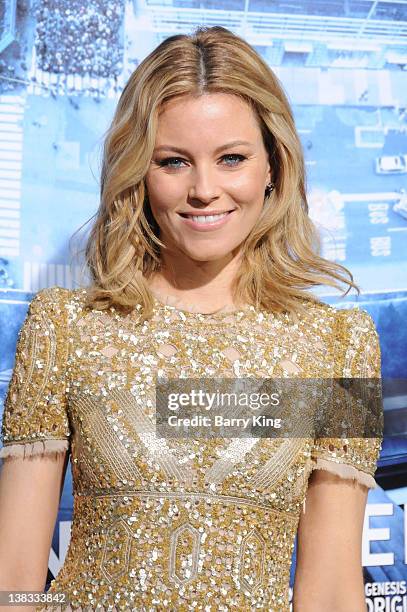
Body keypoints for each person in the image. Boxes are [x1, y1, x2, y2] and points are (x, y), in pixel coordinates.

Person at [0, 25, 383, 612]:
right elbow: (13, 578)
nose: (205, 190)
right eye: (174, 162)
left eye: (232, 158)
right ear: (139, 173)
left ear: (273, 166)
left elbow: (332, 589)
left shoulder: (340, 346)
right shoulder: (64, 328)